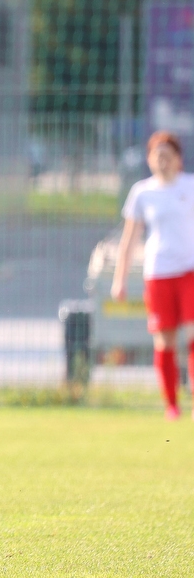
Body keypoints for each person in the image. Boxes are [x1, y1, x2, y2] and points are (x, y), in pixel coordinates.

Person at [112, 130, 194, 421]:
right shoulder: (142, 192)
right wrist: (119, 279)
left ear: (178, 159)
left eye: (167, 156)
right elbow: (129, 239)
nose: (162, 161)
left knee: (193, 332)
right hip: (158, 274)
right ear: (149, 160)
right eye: (157, 156)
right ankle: (172, 405)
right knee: (164, 340)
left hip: (189, 271)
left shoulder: (190, 187)